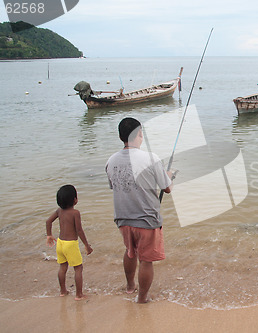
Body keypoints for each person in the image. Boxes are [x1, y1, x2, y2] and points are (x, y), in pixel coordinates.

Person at [105, 117, 173, 303]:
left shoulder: (111, 161)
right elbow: (166, 188)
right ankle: (142, 298)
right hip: (146, 220)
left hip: (122, 219)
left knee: (130, 251)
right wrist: (169, 176)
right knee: (146, 260)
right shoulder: (151, 158)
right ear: (138, 135)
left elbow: (116, 186)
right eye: (141, 133)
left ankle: (130, 287)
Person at [46, 184, 93, 301]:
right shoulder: (75, 213)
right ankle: (79, 294)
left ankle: (63, 291)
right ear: (75, 200)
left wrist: (49, 235)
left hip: (60, 243)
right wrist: (87, 245)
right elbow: (79, 230)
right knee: (78, 268)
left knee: (63, 267)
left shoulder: (59, 211)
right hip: (70, 244)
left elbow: (48, 221)